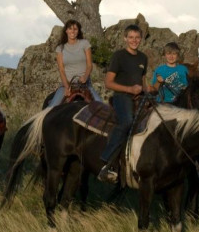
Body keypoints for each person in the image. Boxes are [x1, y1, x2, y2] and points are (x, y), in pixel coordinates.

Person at [97, 24, 153, 183]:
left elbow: (142, 81)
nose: (134, 40)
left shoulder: (143, 57)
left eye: (137, 37)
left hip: (140, 96)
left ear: (141, 39)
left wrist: (148, 91)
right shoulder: (119, 56)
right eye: (131, 37)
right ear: (125, 38)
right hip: (122, 96)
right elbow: (108, 82)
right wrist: (129, 89)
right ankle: (107, 160)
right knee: (127, 122)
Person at [46, 19, 103, 108]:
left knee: (100, 105)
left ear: (78, 31)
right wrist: (66, 86)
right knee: (52, 108)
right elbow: (61, 70)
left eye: (75, 29)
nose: (72, 31)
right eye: (70, 29)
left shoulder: (85, 44)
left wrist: (85, 76)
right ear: (66, 31)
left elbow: (89, 65)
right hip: (68, 84)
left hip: (85, 84)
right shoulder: (60, 48)